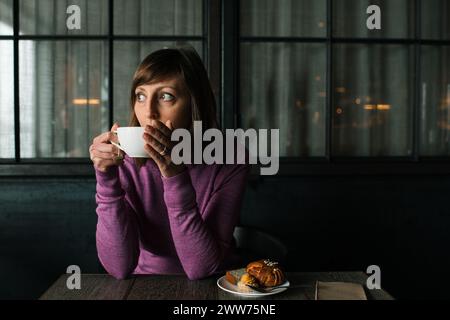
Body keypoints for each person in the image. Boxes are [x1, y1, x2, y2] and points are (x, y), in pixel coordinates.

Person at [89, 46, 250, 280]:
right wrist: (106, 180)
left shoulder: (231, 157)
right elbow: (119, 267)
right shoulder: (124, 159)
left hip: (216, 285)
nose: (149, 112)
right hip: (143, 285)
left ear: (195, 104)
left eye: (166, 96)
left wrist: (174, 175)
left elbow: (200, 268)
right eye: (141, 96)